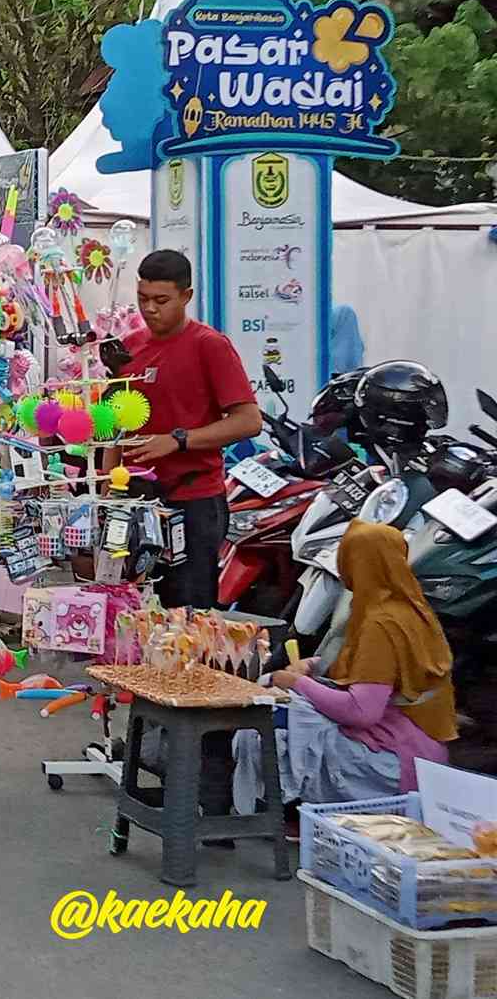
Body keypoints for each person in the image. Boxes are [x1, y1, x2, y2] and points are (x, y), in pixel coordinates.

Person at [237, 521, 456, 815]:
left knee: (273, 717)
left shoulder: (381, 623)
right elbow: (386, 674)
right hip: (422, 751)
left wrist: (294, 681)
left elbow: (362, 711)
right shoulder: (409, 606)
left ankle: (282, 811)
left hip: (395, 765)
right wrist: (315, 667)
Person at [117, 249, 263, 610]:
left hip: (192, 502)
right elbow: (115, 425)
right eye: (143, 299)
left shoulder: (209, 346)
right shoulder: (128, 347)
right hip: (133, 501)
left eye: (161, 300)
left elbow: (249, 420)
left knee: (187, 615)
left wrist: (178, 441)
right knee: (129, 611)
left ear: (187, 296)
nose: (150, 309)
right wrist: (107, 487)